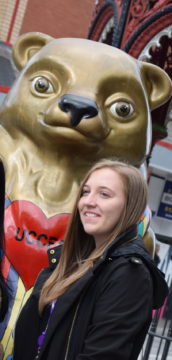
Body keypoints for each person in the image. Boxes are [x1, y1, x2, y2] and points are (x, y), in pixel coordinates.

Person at [13, 159, 168, 360]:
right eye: (86, 192)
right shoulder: (69, 261)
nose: (88, 201)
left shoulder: (130, 272)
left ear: (130, 206)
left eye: (104, 194)